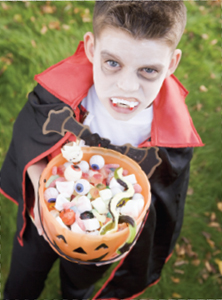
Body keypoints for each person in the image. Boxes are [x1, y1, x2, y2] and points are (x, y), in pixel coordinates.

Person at [0, 1, 204, 299]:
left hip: (99, 241)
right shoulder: (61, 95)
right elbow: (28, 132)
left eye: (148, 70)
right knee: (24, 276)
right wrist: (36, 177)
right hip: (42, 216)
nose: (127, 87)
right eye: (112, 63)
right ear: (91, 48)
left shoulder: (171, 140)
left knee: (78, 285)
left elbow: (164, 204)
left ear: (171, 63)